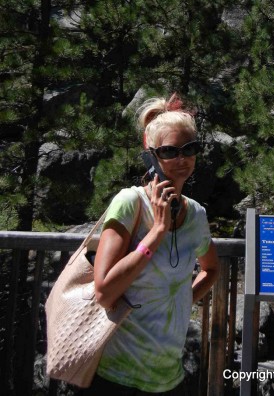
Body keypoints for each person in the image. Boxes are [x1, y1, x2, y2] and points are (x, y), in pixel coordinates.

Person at [86, 94, 219, 395]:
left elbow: (211, 269)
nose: (182, 159)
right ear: (152, 156)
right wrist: (157, 231)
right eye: (170, 151)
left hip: (169, 378)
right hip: (115, 377)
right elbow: (105, 292)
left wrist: (182, 301)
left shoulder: (196, 214)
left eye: (190, 149)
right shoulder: (130, 203)